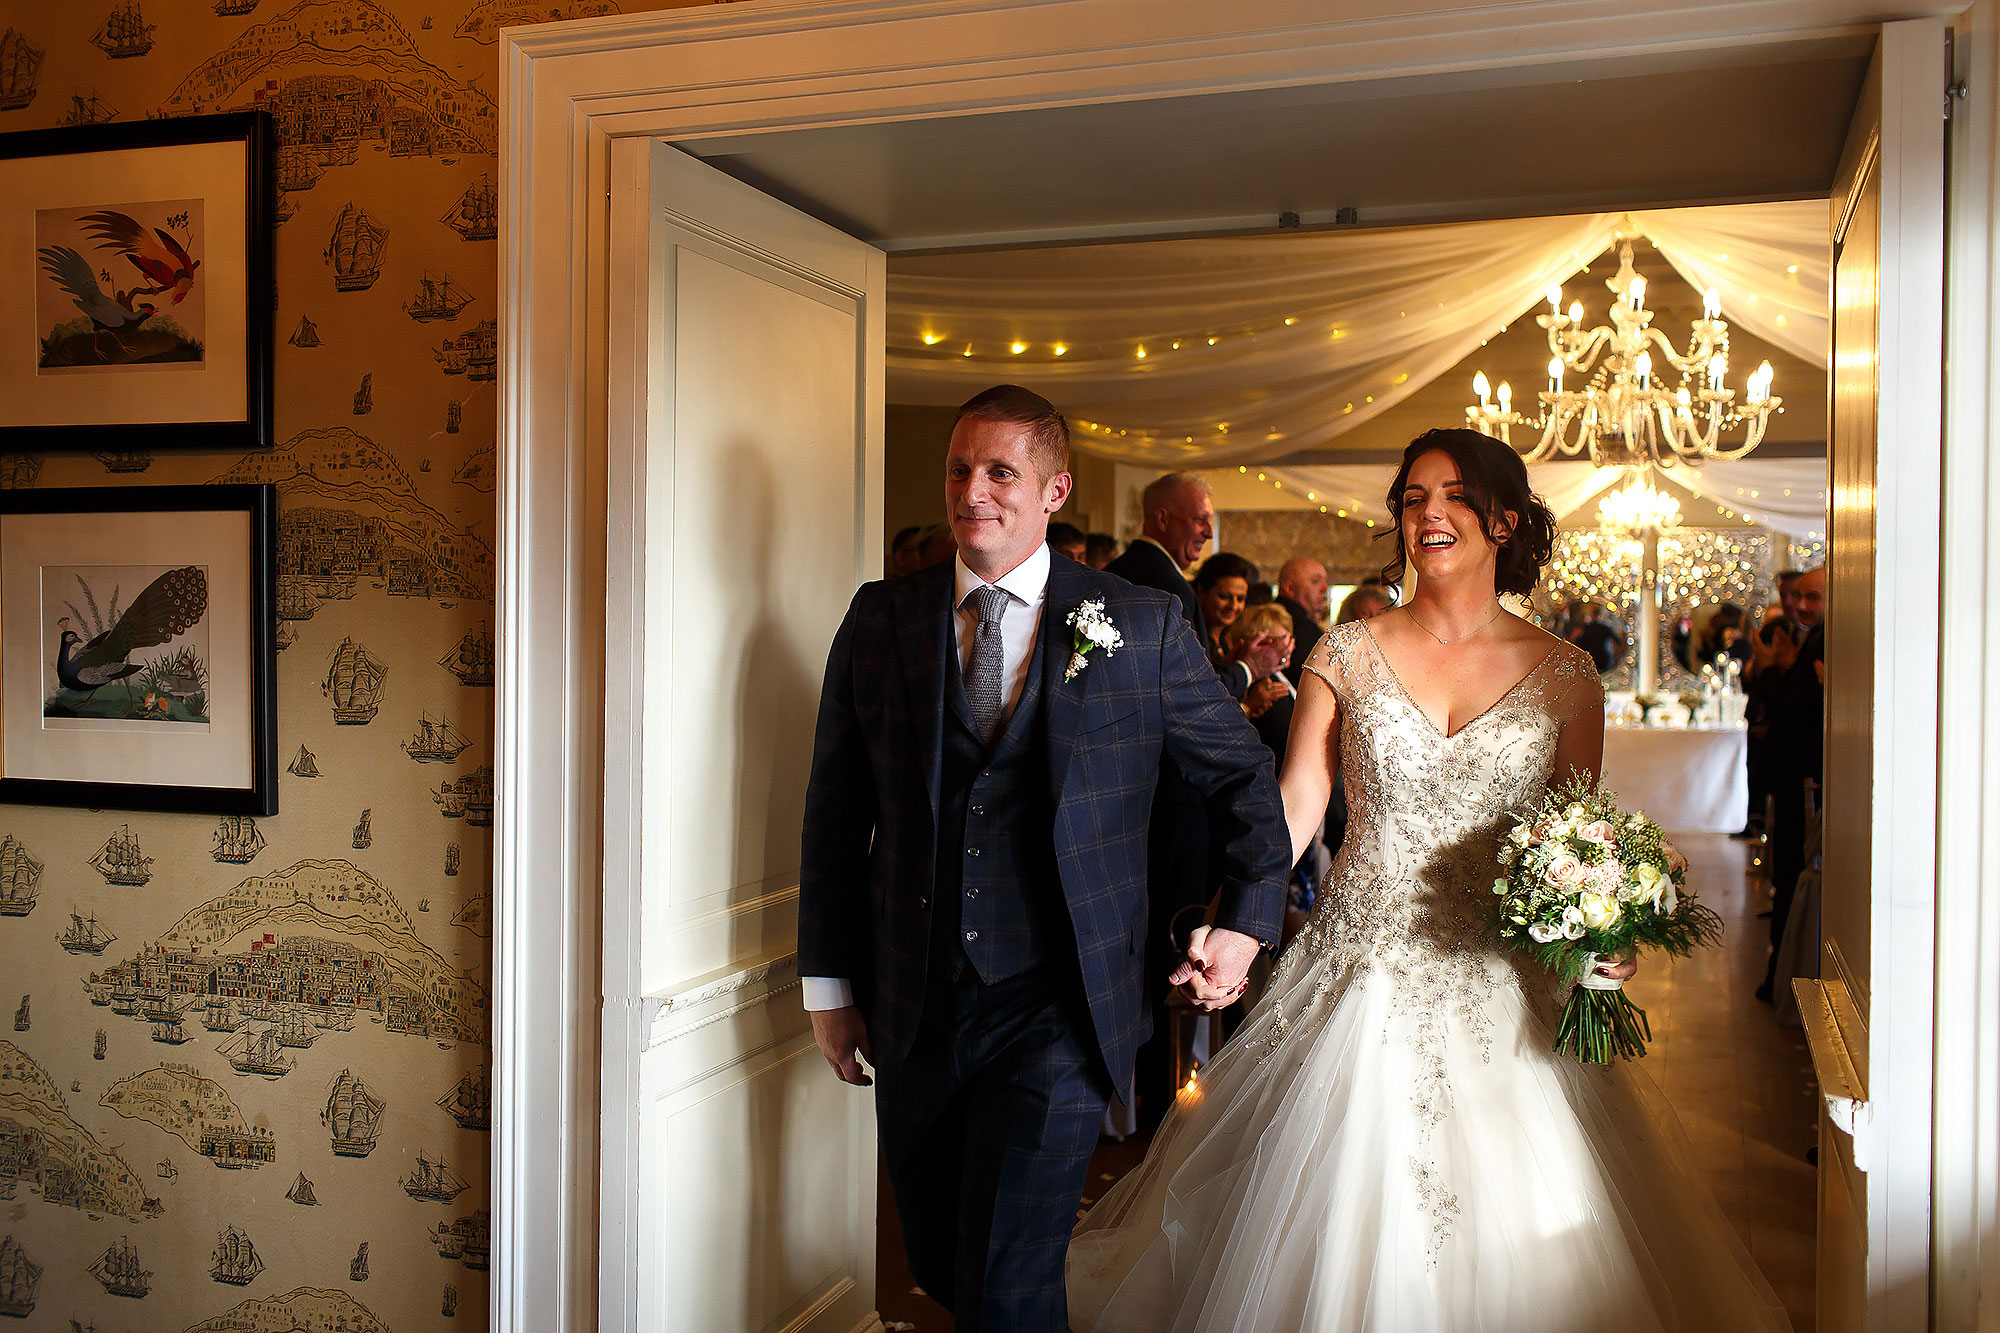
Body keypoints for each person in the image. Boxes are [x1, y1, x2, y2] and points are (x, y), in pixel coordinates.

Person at [1069, 427, 1791, 1333]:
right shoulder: (1345, 651)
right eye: (1412, 497)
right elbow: (1295, 806)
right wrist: (1236, 925)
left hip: (1506, 988)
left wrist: (1602, 935)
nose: (1429, 513)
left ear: (1505, 520)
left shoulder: (1567, 676)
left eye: (1453, 495)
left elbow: (1574, 835)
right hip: (1357, 975)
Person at [799, 385, 1289, 1332]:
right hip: (915, 1002)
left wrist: (1244, 919)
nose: (972, 491)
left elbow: (1239, 776)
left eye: (999, 471)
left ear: (1055, 488)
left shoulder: (1138, 624)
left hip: (1062, 1004)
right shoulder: (881, 619)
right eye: (958, 469)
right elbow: (834, 811)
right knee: (946, 1261)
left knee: (1010, 1279)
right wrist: (830, 983)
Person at [1105, 475, 1285, 1129]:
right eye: (1200, 518)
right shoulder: (1152, 584)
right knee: (1161, 960)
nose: (1207, 531)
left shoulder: (1156, 578)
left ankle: (1153, 1105)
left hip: (1161, 813)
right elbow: (1182, 699)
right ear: (1161, 516)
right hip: (1162, 816)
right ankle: (1152, 1113)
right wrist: (1243, 673)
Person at [1756, 565, 1825, 1002]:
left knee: (1793, 873)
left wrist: (1773, 670)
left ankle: (1784, 978)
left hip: (1803, 778)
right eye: (1797, 596)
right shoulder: (1807, 637)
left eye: (1812, 597)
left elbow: (1794, 713)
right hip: (1793, 777)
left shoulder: (1822, 641)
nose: (1799, 605)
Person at [1191, 552, 1258, 665]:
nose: (1233, 606)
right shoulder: (1191, 635)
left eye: (1241, 599)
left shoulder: (1230, 637)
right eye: (1224, 597)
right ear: (1202, 592)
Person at [1273, 557, 1330, 683]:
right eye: (1315, 581)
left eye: (1325, 581)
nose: (1325, 588)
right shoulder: (1301, 629)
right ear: (1289, 589)